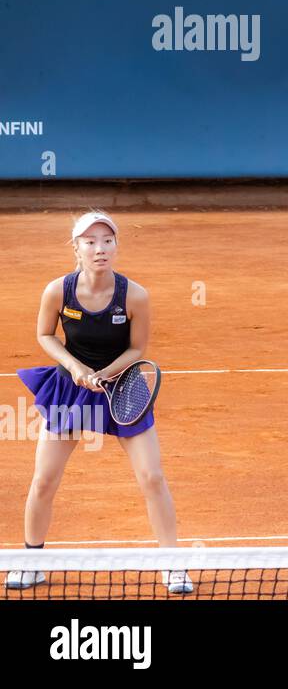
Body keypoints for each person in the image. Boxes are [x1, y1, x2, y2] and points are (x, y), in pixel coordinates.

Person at [6, 210, 193, 594]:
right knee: (43, 480)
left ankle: (173, 567)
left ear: (116, 246)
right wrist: (75, 368)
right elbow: (45, 335)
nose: (99, 249)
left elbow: (138, 347)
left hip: (123, 386)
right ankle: (32, 562)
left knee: (152, 478)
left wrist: (106, 372)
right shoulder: (58, 290)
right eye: (89, 242)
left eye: (107, 240)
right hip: (72, 386)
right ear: (76, 248)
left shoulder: (135, 295)